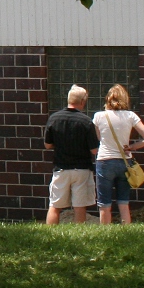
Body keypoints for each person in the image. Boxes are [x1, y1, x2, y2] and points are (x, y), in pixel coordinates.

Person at [93, 83, 144, 225]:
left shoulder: (99, 116)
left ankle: (105, 231)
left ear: (108, 98)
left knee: (104, 203)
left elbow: (99, 138)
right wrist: (132, 147)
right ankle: (126, 229)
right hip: (125, 161)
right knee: (124, 202)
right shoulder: (130, 115)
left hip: (105, 160)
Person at [43, 85, 98, 224]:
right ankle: (78, 233)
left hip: (61, 168)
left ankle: (50, 233)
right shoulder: (86, 121)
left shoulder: (54, 118)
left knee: (55, 206)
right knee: (80, 206)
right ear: (83, 101)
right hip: (82, 169)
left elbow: (48, 145)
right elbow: (94, 150)